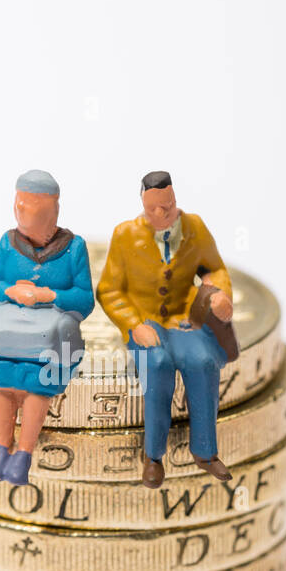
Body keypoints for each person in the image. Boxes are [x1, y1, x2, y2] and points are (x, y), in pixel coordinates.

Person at [96, 170, 236, 489]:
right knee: (157, 366)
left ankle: (205, 451)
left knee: (202, 362)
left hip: (183, 320)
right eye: (153, 210)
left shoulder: (194, 227)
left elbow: (214, 268)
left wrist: (221, 293)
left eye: (168, 207)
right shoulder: (124, 235)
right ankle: (153, 457)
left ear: (175, 199)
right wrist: (134, 325)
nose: (162, 215)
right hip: (146, 321)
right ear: (143, 206)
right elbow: (108, 290)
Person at [0, 170, 93, 485]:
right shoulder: (7, 243)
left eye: (29, 206)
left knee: (37, 383)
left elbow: (84, 300)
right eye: (17, 204)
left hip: (53, 336)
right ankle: (3, 446)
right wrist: (10, 292)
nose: (20, 211)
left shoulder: (73, 248)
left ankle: (24, 452)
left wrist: (48, 296)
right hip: (10, 333)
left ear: (51, 210)